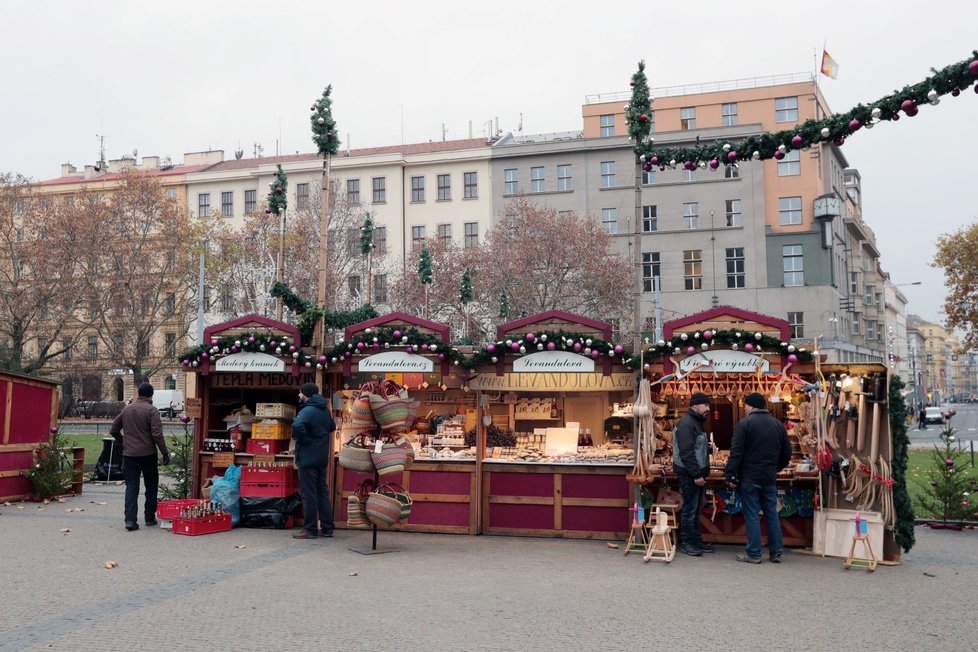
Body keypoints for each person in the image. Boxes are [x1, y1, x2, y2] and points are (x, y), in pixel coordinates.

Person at [725, 393, 792, 564]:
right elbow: (787, 453)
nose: (745, 408)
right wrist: (776, 468)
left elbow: (736, 452)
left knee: (752, 514)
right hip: (769, 477)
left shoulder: (744, 424)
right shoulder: (778, 425)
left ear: (752, 406)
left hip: (749, 477)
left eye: (746, 405)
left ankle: (754, 553)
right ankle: (776, 552)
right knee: (772, 514)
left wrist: (731, 474)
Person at [110, 382, 169, 531]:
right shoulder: (152, 410)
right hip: (148, 454)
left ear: (138, 394)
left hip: (129, 455)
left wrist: (124, 442)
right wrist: (164, 452)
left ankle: (130, 520)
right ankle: (149, 517)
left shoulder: (126, 410)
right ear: (151, 395)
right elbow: (157, 434)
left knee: (131, 487)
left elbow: (113, 429)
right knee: (151, 486)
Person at [291, 382, 336, 539]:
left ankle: (310, 529)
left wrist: (306, 439)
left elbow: (297, 426)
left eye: (300, 393)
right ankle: (327, 528)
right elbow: (332, 427)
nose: (299, 395)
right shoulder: (325, 410)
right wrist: (318, 437)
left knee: (309, 494)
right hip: (321, 457)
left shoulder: (308, 410)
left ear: (306, 395)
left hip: (308, 458)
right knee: (322, 492)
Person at [672, 392, 713, 557]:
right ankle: (687, 542)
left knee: (695, 509)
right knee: (689, 509)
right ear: (695, 405)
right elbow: (686, 452)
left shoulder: (696, 422)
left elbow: (696, 449)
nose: (708, 409)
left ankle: (695, 540)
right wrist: (696, 474)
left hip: (695, 474)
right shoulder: (687, 424)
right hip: (689, 475)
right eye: (706, 405)